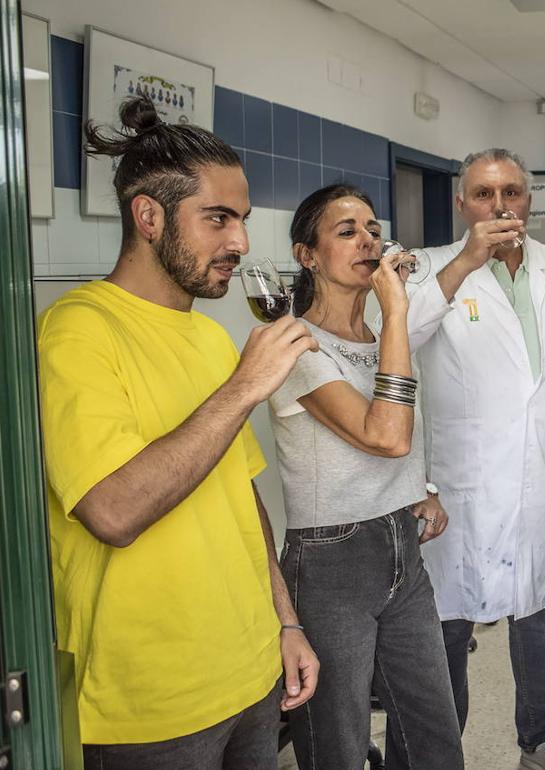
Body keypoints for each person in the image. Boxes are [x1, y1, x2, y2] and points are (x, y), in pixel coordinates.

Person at [37, 96, 319, 769]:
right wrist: (244, 388)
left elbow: (241, 495)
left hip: (250, 669)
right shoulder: (76, 331)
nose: (240, 242)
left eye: (241, 220)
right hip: (149, 702)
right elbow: (112, 512)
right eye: (218, 218)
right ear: (149, 216)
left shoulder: (210, 338)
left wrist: (284, 620)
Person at [401, 148, 545, 770]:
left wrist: (532, 412)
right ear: (461, 203)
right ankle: (436, 753)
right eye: (484, 194)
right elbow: (397, 340)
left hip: (538, 473)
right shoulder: (427, 268)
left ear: (528, 201)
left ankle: (541, 741)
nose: (499, 205)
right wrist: (466, 262)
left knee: (538, 612)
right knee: (447, 622)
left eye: (511, 192)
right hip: (458, 478)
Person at [268, 184, 464, 769]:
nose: (368, 241)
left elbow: (409, 426)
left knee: (434, 729)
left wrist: (421, 488)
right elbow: (385, 435)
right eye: (347, 231)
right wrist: (398, 310)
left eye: (374, 230)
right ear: (307, 254)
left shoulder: (382, 339)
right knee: (340, 743)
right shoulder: (297, 348)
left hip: (401, 547)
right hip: (331, 561)